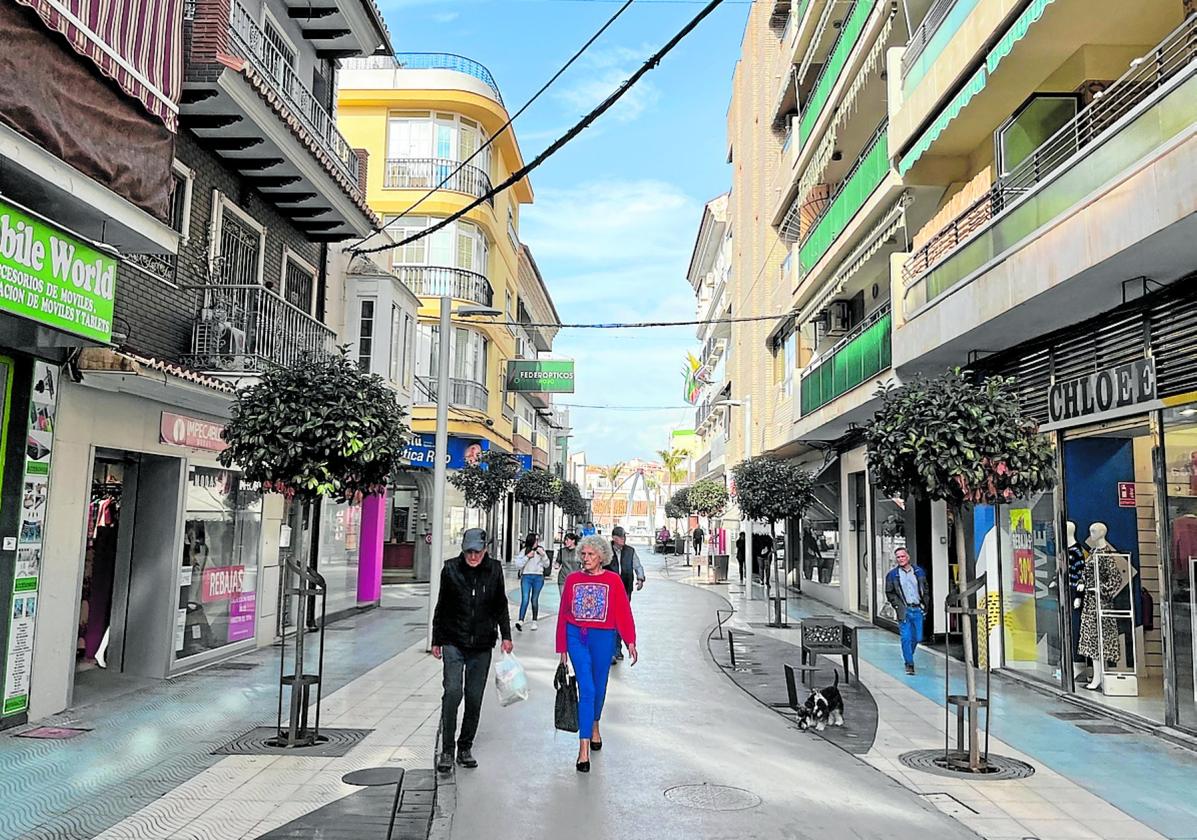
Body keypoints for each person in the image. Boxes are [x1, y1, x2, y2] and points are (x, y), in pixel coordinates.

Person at [431, 529, 513, 772]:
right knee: (453, 692)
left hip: (482, 643)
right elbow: (442, 605)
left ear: (485, 549)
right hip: (453, 640)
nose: (473, 556)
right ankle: (447, 750)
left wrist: (506, 635)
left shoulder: (494, 570)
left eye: (477, 551)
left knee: (474, 696)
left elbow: (501, 604)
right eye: (469, 551)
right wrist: (437, 639)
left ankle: (464, 747)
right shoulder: (450, 569)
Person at [557, 535, 638, 773]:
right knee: (587, 688)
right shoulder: (572, 580)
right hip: (577, 637)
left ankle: (594, 725)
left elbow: (623, 611)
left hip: (603, 637)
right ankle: (583, 750)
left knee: (599, 687)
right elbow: (563, 613)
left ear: (602, 557)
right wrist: (562, 646)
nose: (586, 558)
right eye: (583, 554)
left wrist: (630, 640)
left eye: (591, 554)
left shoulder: (613, 581)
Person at [884, 547, 929, 675]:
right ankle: (909, 663)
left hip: (917, 609)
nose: (900, 559)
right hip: (904, 610)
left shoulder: (919, 572)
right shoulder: (892, 575)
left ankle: (908, 654)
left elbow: (925, 589)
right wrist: (897, 605)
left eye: (902, 556)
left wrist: (925, 605)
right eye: (898, 557)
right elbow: (890, 592)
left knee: (917, 637)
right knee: (906, 638)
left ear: (908, 557)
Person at [605, 526, 645, 663]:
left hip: (625, 589)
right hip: (608, 591)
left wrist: (640, 578)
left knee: (620, 619)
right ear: (614, 538)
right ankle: (611, 651)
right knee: (610, 620)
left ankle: (617, 649)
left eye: (624, 537)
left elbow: (637, 565)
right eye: (621, 537)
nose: (624, 539)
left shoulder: (630, 551)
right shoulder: (606, 550)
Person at [516, 532, 549, 631]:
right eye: (536, 540)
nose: (537, 542)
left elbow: (547, 565)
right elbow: (518, 565)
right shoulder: (524, 551)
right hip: (526, 577)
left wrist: (543, 556)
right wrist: (527, 556)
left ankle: (534, 621)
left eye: (538, 540)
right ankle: (520, 620)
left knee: (534, 599)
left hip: (538, 577)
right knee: (525, 598)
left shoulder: (541, 550)